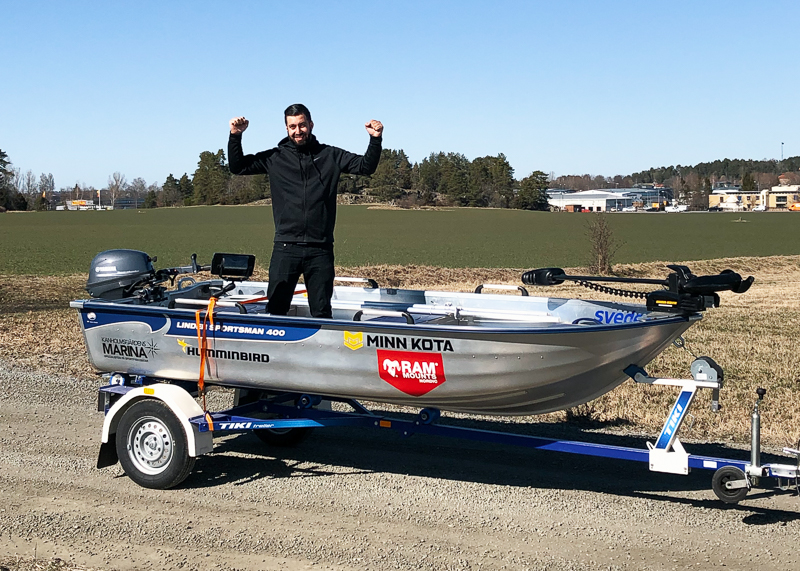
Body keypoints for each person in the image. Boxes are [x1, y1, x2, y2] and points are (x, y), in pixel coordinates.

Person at [228, 104, 383, 318]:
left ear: (310, 125)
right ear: (286, 129)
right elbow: (238, 167)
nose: (297, 130)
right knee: (276, 310)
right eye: (292, 126)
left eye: (302, 125)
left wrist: (375, 139)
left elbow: (366, 167)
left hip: (320, 249)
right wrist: (235, 136)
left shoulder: (330, 155)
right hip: (285, 247)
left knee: (321, 311)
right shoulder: (275, 158)